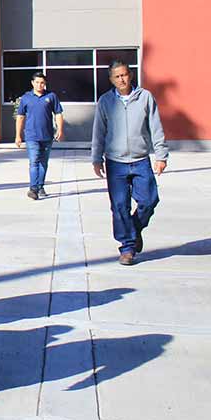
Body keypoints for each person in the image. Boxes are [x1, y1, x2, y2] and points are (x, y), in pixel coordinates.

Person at [91, 61, 169, 266]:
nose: (122, 79)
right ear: (111, 79)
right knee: (119, 206)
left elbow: (156, 127)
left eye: (124, 75)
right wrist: (96, 158)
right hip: (115, 162)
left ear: (130, 75)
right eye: (117, 77)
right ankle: (127, 248)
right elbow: (99, 132)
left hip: (140, 160)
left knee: (149, 200)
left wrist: (161, 155)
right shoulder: (106, 101)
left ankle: (133, 229)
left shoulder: (145, 97)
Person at [15, 72, 64, 200]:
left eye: (42, 83)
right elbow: (20, 117)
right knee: (34, 162)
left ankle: (40, 186)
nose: (39, 85)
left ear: (45, 84)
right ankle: (33, 188)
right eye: (37, 82)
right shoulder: (26, 98)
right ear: (32, 83)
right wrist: (18, 135)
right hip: (31, 136)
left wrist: (60, 129)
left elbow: (58, 113)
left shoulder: (51, 96)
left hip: (47, 135)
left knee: (43, 163)